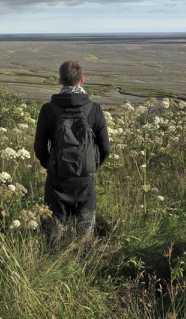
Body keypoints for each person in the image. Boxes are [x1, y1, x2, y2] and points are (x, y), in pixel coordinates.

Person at [34, 60, 111, 241]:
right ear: (82, 80)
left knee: (53, 232)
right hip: (85, 180)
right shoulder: (94, 109)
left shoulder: (48, 109)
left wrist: (51, 166)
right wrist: (92, 166)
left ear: (60, 80)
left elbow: (39, 147)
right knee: (84, 233)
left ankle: (52, 261)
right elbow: (105, 147)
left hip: (57, 179)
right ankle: (84, 261)